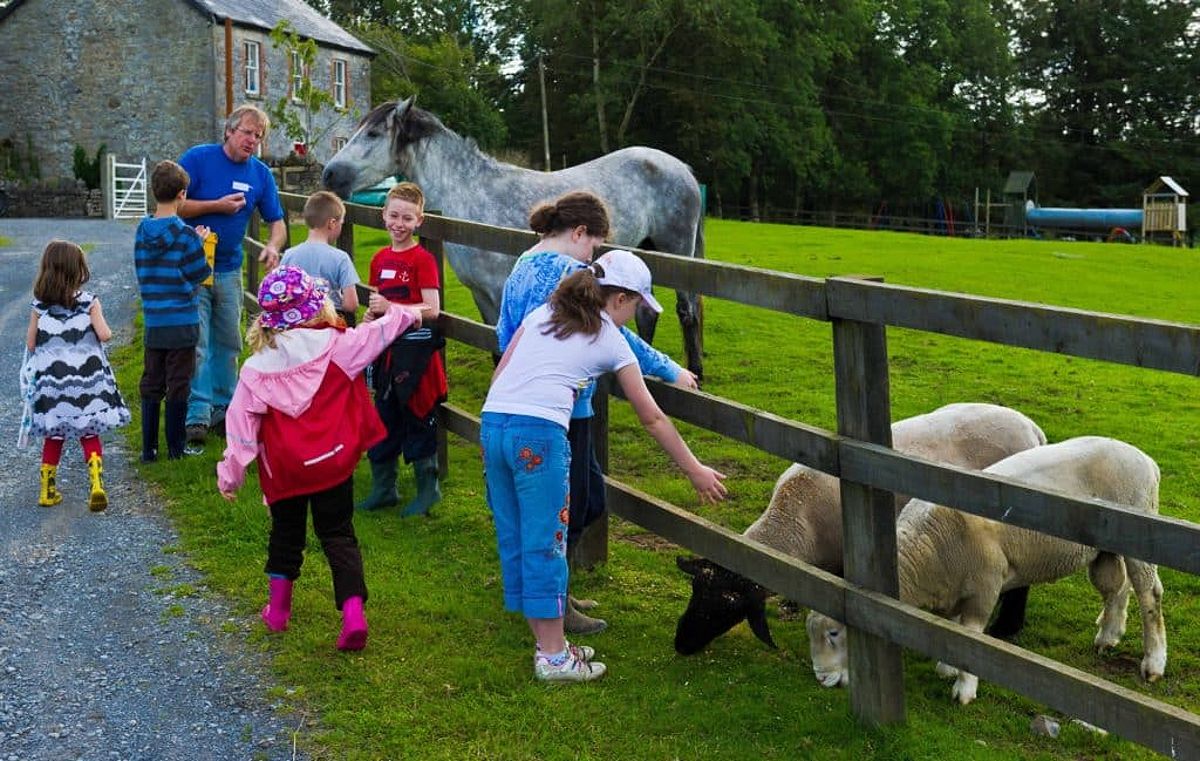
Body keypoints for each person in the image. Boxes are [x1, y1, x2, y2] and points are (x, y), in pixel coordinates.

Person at [482, 249, 727, 682]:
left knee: (519, 536)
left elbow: (504, 365)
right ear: (621, 299)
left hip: (494, 423)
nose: (634, 316)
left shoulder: (547, 312)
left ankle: (547, 641)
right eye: (637, 306)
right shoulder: (608, 336)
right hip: (538, 436)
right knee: (547, 542)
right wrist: (693, 469)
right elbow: (651, 417)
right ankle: (555, 659)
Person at [495, 190, 699, 635]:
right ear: (580, 233)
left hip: (517, 402)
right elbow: (616, 338)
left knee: (573, 500)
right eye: (595, 244)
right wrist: (669, 367)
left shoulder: (522, 262)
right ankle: (554, 602)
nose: (595, 257)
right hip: (562, 409)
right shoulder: (569, 271)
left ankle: (552, 590)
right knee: (572, 503)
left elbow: (506, 330)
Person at [216, 265, 423, 651]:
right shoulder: (338, 346)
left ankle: (278, 612)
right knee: (338, 534)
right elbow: (380, 332)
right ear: (315, 307)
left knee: (286, 534)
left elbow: (240, 428)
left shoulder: (256, 369)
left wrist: (231, 475)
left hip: (286, 469)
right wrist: (406, 312)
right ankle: (354, 616)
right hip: (332, 461)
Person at [178, 104, 287, 445]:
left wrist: (273, 245)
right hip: (192, 268)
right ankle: (196, 412)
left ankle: (224, 409)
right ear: (229, 131)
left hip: (228, 269)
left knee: (229, 340)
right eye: (247, 133)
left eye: (258, 136)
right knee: (198, 340)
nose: (252, 140)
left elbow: (278, 222)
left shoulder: (260, 175)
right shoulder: (197, 159)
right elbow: (172, 205)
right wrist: (216, 206)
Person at [356, 182, 448, 516]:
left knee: (418, 417)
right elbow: (378, 305)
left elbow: (432, 309)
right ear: (383, 215)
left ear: (419, 221)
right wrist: (371, 315)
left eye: (407, 218)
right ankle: (384, 489)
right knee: (383, 418)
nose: (399, 223)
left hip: (416, 357)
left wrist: (392, 308)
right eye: (393, 215)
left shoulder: (422, 260)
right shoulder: (379, 259)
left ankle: (428, 490)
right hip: (386, 354)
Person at [22, 240, 131, 511]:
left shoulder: (39, 307)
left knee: (54, 434)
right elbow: (105, 334)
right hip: (88, 383)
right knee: (89, 431)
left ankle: (47, 490)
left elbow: (31, 343)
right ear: (78, 270)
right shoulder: (89, 302)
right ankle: (96, 484)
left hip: (51, 385)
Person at [134, 159, 213, 462]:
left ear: (154, 193)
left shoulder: (142, 230)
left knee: (152, 382)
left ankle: (149, 449)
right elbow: (199, 274)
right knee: (179, 383)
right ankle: (176, 448)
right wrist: (200, 242)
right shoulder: (185, 236)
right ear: (182, 194)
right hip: (182, 320)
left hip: (154, 319)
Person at [280, 190, 361, 326]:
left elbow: (281, 293)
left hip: (298, 323)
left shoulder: (289, 255)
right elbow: (351, 304)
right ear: (332, 223)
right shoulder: (340, 258)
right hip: (330, 323)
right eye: (341, 223)